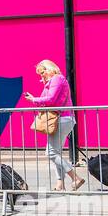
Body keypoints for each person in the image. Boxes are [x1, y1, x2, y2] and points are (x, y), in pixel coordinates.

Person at [25, 59, 83, 191]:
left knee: (51, 153)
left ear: (49, 68)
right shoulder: (55, 81)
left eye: (42, 72)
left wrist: (33, 99)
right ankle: (60, 184)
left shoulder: (57, 79)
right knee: (56, 153)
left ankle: (75, 178)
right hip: (63, 119)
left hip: (61, 119)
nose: (41, 76)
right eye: (39, 74)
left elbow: (50, 99)